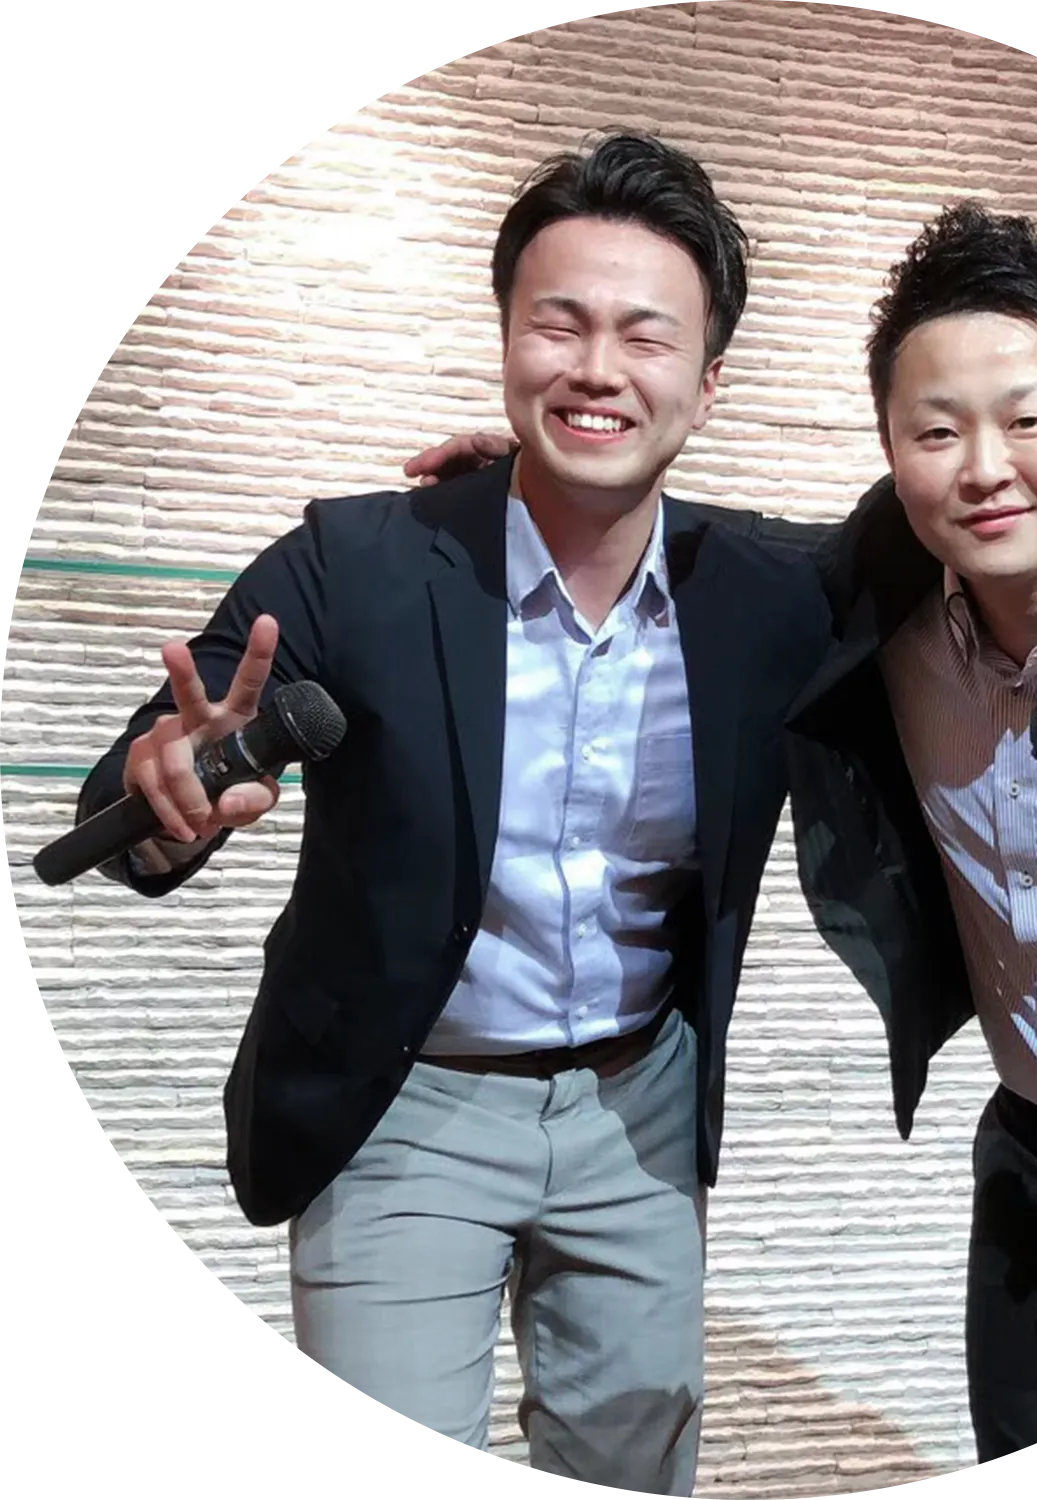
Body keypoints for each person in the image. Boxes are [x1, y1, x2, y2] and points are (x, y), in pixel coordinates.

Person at [409, 204, 1037, 1464]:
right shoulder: (882, 590)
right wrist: (554, 495)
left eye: (1027, 421)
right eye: (936, 433)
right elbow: (750, 554)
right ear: (893, 451)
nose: (984, 469)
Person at [72, 131, 831, 1495]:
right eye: (560, 324)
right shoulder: (360, 562)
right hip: (404, 1096)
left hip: (639, 1102)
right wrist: (167, 797)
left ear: (708, 383)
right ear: (506, 339)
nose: (597, 369)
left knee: (635, 1465)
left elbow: (964, 544)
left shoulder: (768, 595)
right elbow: (142, 776)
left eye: (646, 337)